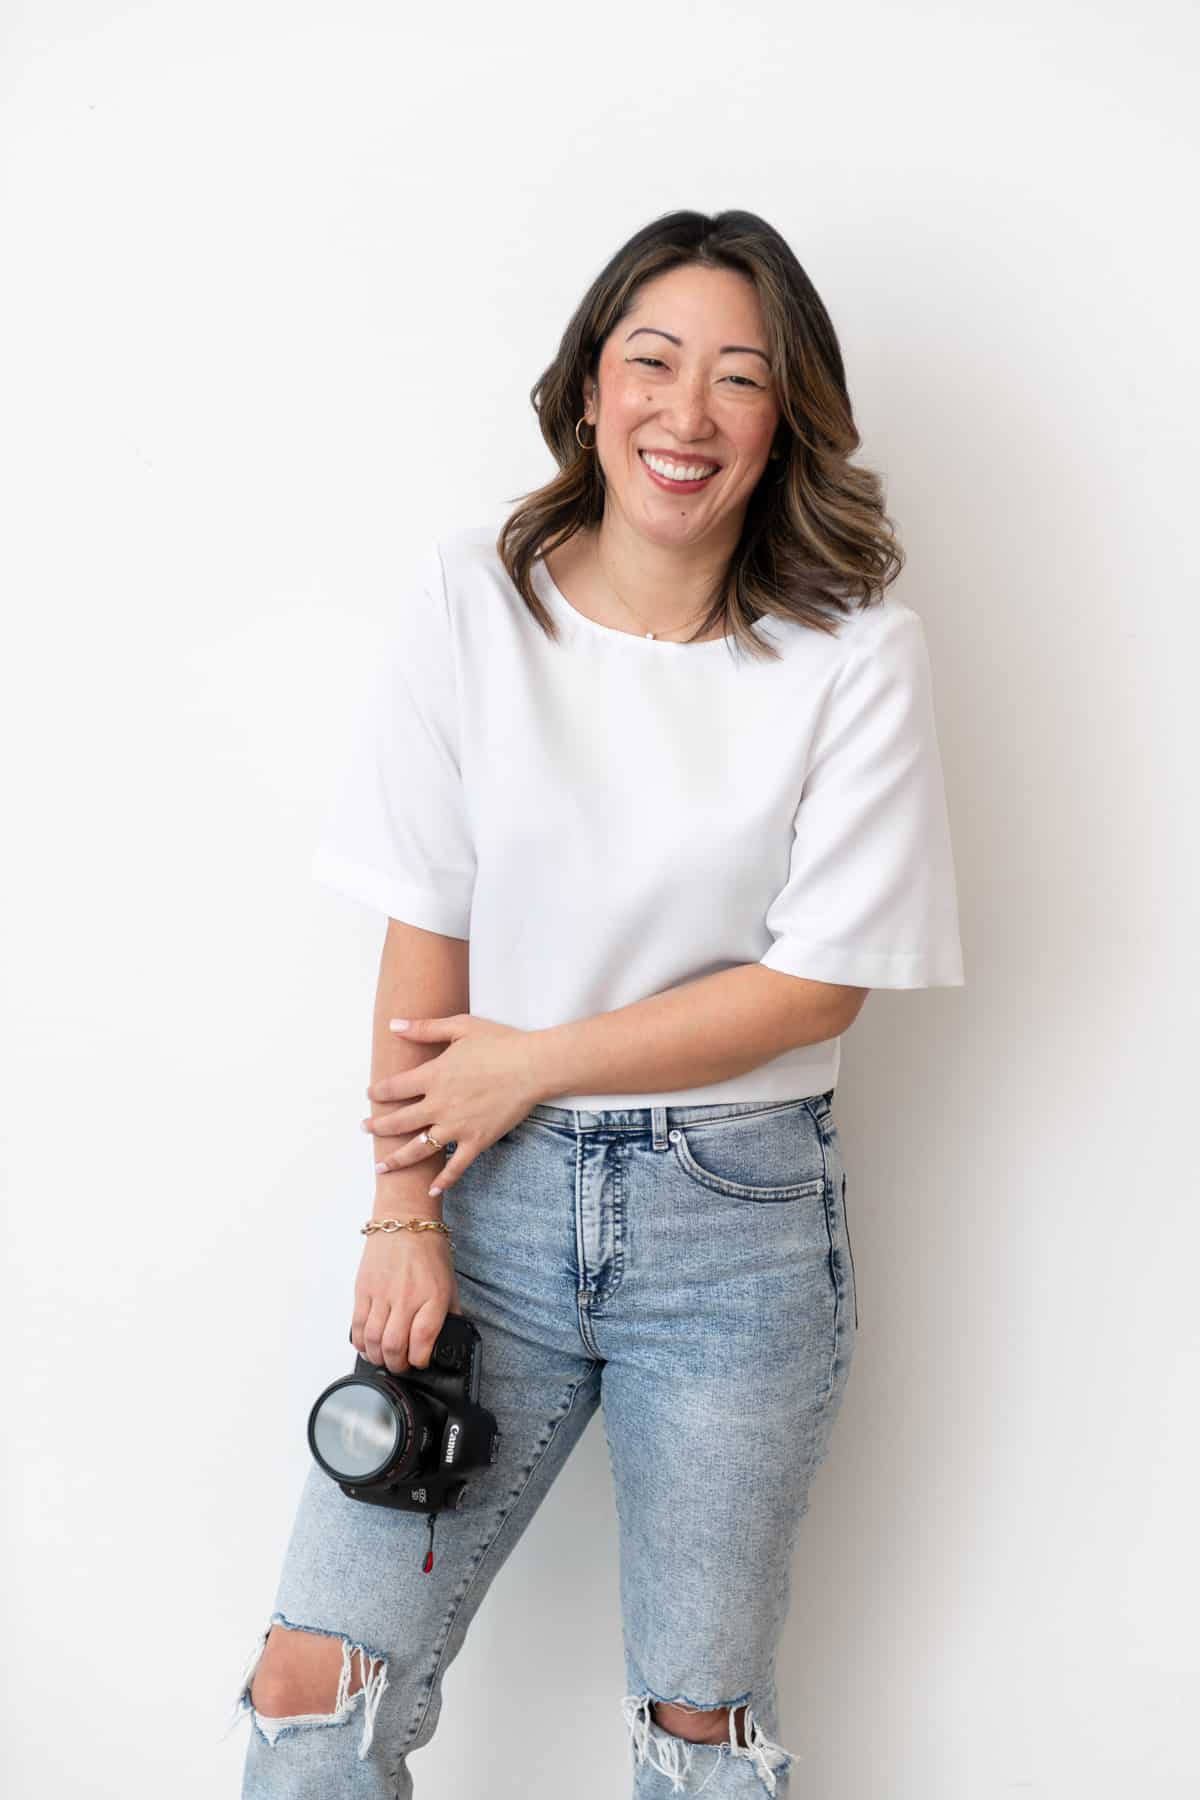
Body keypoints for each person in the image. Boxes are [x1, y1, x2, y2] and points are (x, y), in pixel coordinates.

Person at [226, 208, 965, 1798]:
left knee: (697, 1729)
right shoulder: (472, 599)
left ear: (787, 421)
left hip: (737, 1228)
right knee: (314, 1684)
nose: (683, 415)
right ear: (586, 385)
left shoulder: (855, 654)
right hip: (481, 1207)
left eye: (738, 378)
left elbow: (815, 979)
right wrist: (400, 1208)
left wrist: (535, 1066)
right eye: (651, 361)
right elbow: (425, 918)